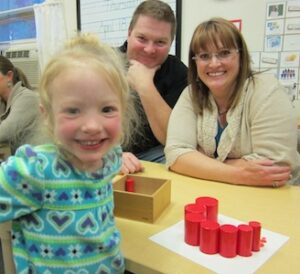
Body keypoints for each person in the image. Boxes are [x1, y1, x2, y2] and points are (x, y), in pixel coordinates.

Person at [0, 33, 134, 273]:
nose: (92, 126)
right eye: (73, 110)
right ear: (47, 116)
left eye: (107, 109)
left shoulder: (110, 157)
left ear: (122, 112)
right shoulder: (36, 170)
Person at [165, 17, 300, 187]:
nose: (214, 63)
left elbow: (274, 169)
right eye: (204, 56)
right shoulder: (191, 94)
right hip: (215, 191)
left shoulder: (266, 90)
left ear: (240, 55)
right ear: (195, 62)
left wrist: (200, 161)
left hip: (274, 197)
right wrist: (240, 171)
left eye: (224, 53)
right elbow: (175, 154)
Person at [119, 0, 188, 174]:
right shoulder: (103, 64)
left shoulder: (178, 72)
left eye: (160, 42)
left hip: (156, 154)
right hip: (107, 152)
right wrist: (110, 155)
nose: (149, 50)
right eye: (142, 38)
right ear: (129, 33)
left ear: (171, 43)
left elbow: (173, 139)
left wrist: (145, 86)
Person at [0, 56, 46, 154]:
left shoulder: (26, 98)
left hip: (38, 163)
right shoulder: (4, 102)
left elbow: (3, 133)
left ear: (9, 76)